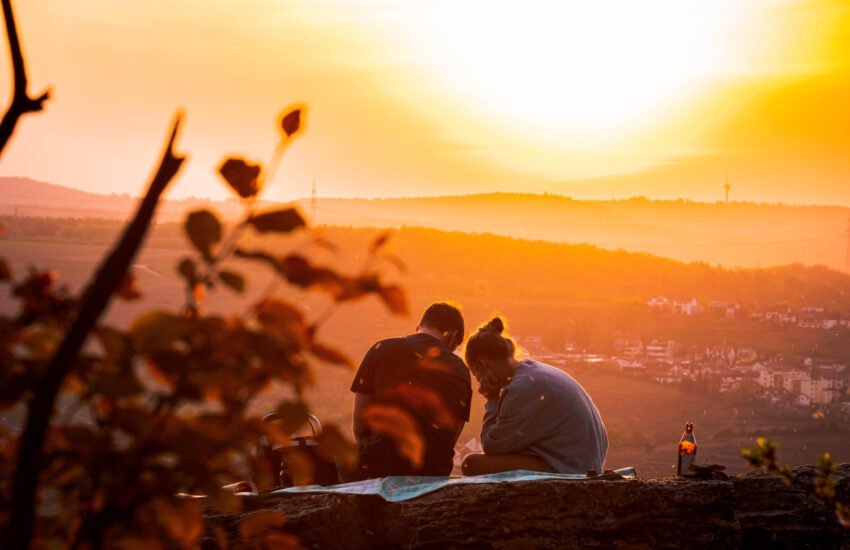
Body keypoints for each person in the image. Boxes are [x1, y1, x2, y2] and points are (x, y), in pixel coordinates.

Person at [462, 316, 608, 476]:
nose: (479, 381)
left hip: (571, 470)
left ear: (483, 365)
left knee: (471, 465)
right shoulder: (532, 371)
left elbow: (492, 446)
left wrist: (492, 399)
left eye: (477, 375)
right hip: (583, 462)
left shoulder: (522, 388)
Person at [349, 302, 472, 479]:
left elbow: (360, 426)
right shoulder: (461, 369)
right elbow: (451, 436)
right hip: (434, 471)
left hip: (382, 466)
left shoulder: (381, 349)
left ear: (419, 327)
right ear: (453, 337)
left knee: (340, 456)